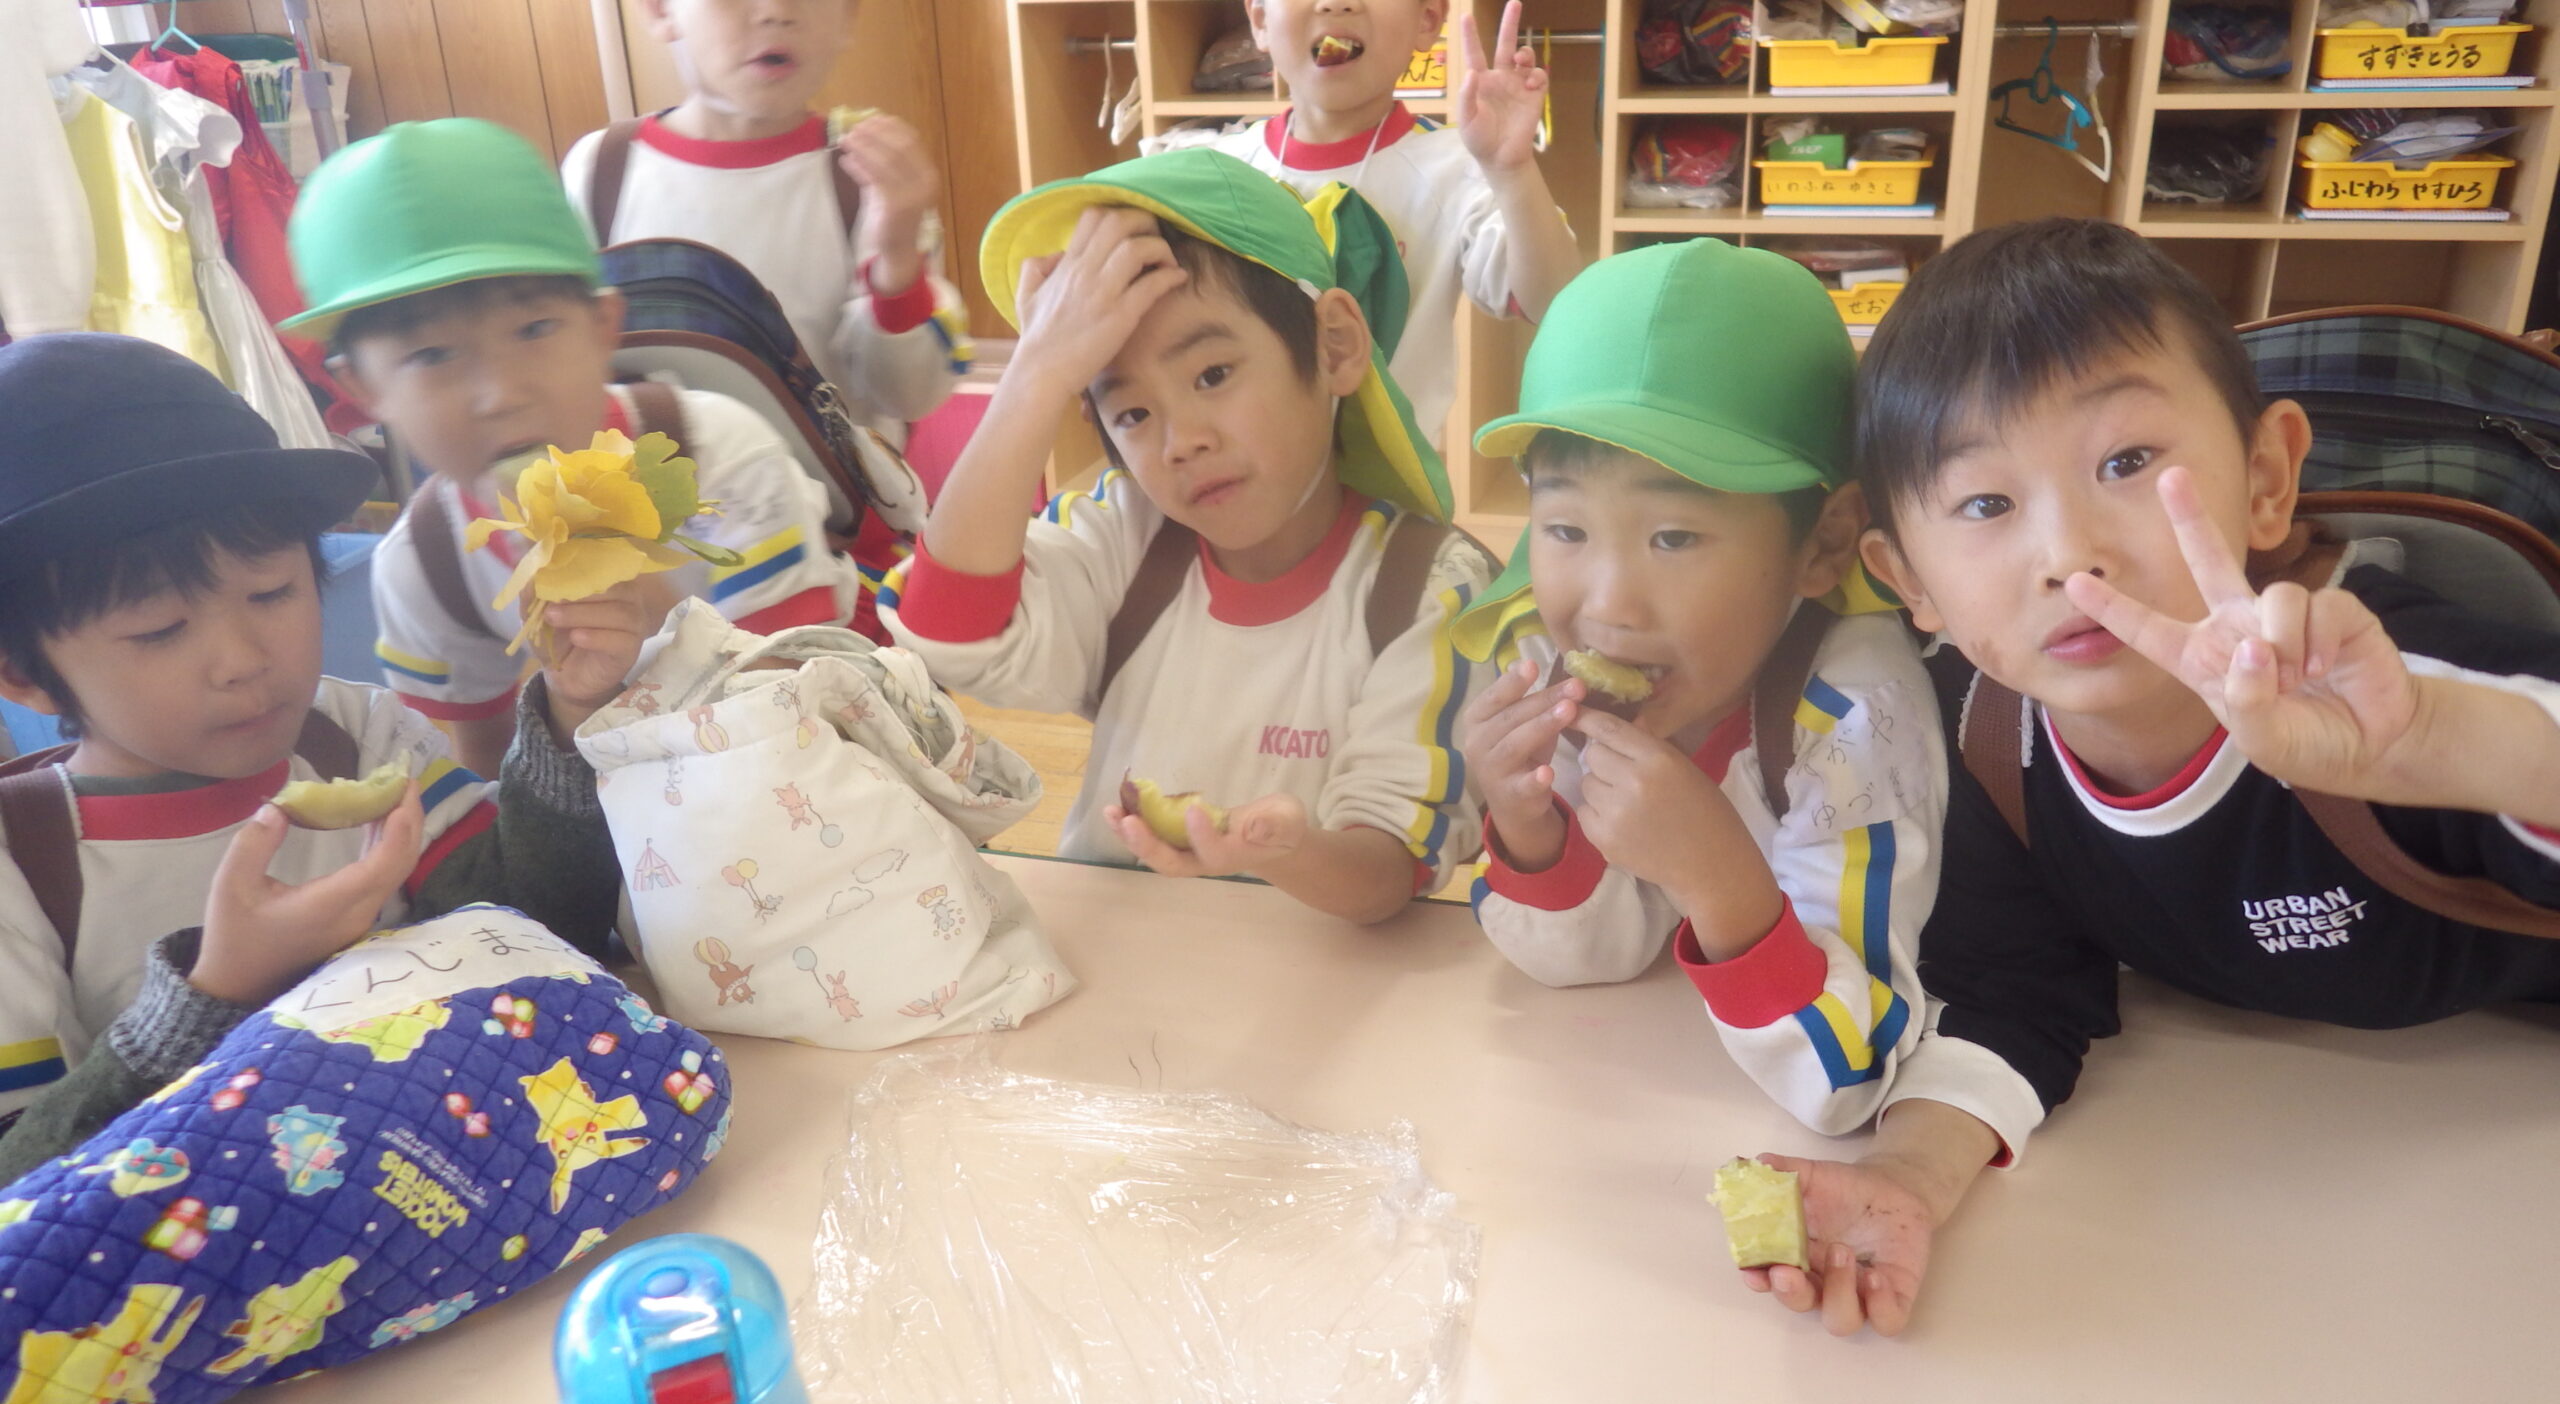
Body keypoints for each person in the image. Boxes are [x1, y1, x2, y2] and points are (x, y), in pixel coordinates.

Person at [1753, 217, 2560, 1337]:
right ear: (1907, 580)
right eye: (1985, 504)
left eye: (2125, 462)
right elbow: (2015, 994)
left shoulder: (2374, 675)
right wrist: (1908, 1175)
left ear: (2265, 478)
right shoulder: (1985, 744)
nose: (2068, 555)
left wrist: (2442, 742)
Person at [0, 332, 644, 1183]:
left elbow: (542, 926)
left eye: (272, 592)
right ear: (22, 674)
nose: (242, 660)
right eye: (158, 631)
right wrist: (217, 993)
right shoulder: (25, 866)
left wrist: (568, 715)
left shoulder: (355, 736)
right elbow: (20, 1181)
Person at [880, 148, 1492, 924]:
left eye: (1212, 375)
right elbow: (947, 627)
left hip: (1323, 977)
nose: (1182, 441)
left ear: (1334, 345)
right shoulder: (1127, 538)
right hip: (1126, 962)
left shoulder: (1428, 590)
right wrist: (1037, 374)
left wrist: (1278, 851)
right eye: (1132, 413)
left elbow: (1386, 873)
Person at [1455, 239, 1942, 1135]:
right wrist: (1530, 831)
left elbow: (1850, 1068)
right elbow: (1584, 963)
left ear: (1826, 542)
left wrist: (1714, 878)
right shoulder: (1558, 667)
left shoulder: (1854, 715)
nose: (1607, 604)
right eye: (1565, 529)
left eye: (1673, 537)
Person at [285, 118, 868, 777]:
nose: (499, 393)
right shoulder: (427, 566)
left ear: (602, 327)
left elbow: (800, 714)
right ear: (362, 389)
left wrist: (646, 610)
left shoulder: (719, 459)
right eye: (431, 355)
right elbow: (482, 783)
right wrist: (569, 707)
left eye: (534, 328)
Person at [1152, 0, 1583, 449]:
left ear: (1427, 20)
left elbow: (1551, 301)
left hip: (1390, 476)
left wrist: (1512, 171)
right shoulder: (1213, 173)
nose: (1336, 3)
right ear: (1260, 19)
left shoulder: (1458, 167)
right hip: (1244, 467)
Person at [561, 0, 972, 442]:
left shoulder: (869, 179)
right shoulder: (601, 169)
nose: (776, 11)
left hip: (830, 486)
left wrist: (897, 256)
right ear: (661, 11)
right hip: (653, 481)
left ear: (848, 17)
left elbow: (908, 396)